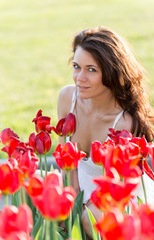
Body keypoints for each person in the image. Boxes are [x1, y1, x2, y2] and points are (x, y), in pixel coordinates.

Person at [57, 26, 154, 239]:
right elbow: (67, 165)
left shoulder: (126, 123)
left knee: (90, 217)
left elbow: (121, 182)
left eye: (91, 70)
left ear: (112, 72)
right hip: (80, 184)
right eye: (76, 66)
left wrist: (83, 210)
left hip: (117, 195)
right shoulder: (67, 98)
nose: (79, 77)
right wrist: (72, 202)